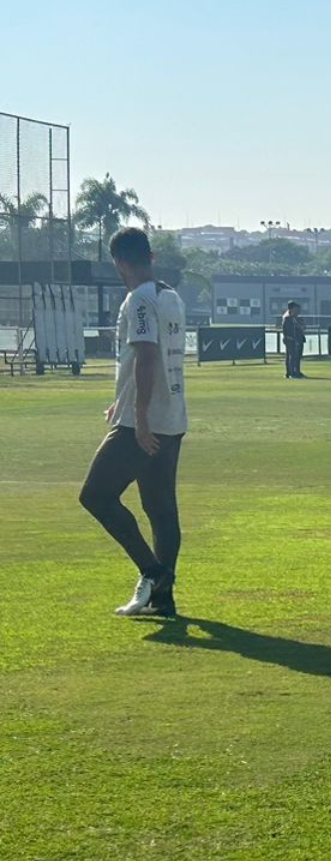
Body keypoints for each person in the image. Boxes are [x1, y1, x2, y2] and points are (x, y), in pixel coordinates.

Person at [81, 227, 188, 617]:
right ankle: (163, 601)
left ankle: (153, 572)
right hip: (173, 417)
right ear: (151, 256)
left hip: (142, 423)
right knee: (161, 509)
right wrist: (120, 401)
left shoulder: (138, 301)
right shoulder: (170, 296)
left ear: (120, 263)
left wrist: (138, 417)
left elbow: (145, 357)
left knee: (95, 496)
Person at [281, 301, 307, 379]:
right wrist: (287, 337)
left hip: (297, 339)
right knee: (291, 356)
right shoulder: (287, 318)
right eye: (296, 309)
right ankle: (291, 372)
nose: (298, 311)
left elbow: (303, 327)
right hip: (290, 339)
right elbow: (286, 329)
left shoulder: (297, 318)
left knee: (296, 356)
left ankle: (296, 371)